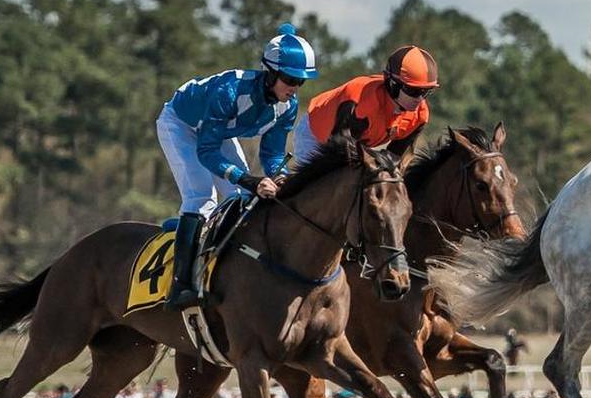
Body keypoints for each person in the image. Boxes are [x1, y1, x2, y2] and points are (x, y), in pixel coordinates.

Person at [156, 22, 317, 310]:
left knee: (240, 199)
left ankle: (223, 267)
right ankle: (180, 285)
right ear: (272, 73)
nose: (294, 89)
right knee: (201, 195)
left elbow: (272, 155)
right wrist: (249, 179)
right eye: (291, 80)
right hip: (180, 124)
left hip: (217, 133)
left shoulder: (287, 106)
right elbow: (206, 151)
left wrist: (279, 176)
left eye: (301, 82)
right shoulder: (230, 92)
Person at [293, 45, 438, 161]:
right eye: (413, 91)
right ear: (392, 84)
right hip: (315, 134)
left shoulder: (420, 116)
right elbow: (339, 149)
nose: (419, 99)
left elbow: (395, 156)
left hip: (351, 145)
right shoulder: (361, 101)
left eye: (425, 92)